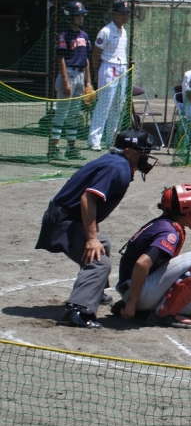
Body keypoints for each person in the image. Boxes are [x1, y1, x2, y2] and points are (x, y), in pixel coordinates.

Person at [35, 129, 159, 328]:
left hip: (66, 217)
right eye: (142, 152)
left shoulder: (116, 162)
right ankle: (77, 312)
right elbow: (88, 198)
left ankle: (94, 292)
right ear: (128, 151)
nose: (146, 156)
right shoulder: (117, 168)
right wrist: (91, 238)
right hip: (63, 221)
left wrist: (94, 237)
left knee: (103, 243)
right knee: (99, 263)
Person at [112, 184, 191, 329]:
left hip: (132, 289)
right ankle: (161, 315)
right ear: (184, 209)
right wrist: (132, 303)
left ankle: (140, 307)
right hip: (137, 293)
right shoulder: (168, 232)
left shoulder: (163, 223)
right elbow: (142, 264)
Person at [49, 1, 91, 162]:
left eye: (82, 15)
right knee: (61, 113)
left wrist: (88, 82)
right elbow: (60, 58)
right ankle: (54, 149)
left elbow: (86, 60)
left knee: (74, 114)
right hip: (68, 74)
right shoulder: (64, 35)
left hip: (80, 75)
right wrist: (65, 81)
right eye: (78, 16)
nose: (81, 18)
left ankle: (71, 149)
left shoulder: (84, 35)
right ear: (70, 17)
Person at [88, 0, 132, 151]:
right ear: (114, 13)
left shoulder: (124, 31)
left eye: (127, 14)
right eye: (122, 13)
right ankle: (94, 140)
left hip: (122, 68)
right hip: (108, 67)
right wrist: (96, 72)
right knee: (104, 105)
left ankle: (112, 139)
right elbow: (96, 53)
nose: (125, 16)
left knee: (118, 106)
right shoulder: (105, 31)